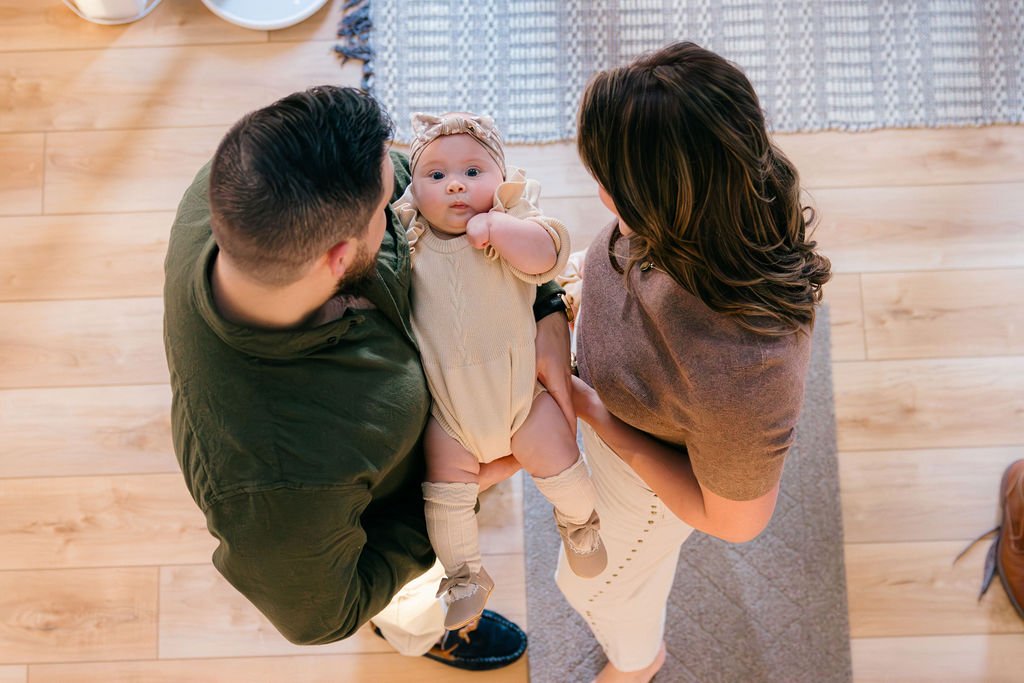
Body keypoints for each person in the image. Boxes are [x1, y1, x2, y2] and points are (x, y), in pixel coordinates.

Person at [162, 86, 574, 671]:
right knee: (416, 607)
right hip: (419, 503)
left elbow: (424, 190)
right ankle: (425, 632)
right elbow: (321, 615)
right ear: (338, 258)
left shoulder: (240, 184)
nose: (407, 191)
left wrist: (545, 305)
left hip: (467, 400)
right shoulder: (277, 489)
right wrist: (450, 494)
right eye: (389, 202)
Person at [557, 42, 833, 682]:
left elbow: (734, 521)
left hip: (645, 488)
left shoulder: (742, 378)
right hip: (620, 418)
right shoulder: (732, 193)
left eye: (608, 182)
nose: (599, 194)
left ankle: (638, 662)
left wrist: (599, 416)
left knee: (593, 588)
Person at [393, 112, 607, 630]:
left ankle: (580, 524)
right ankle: (463, 575)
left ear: (502, 178)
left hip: (520, 396)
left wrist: (499, 228)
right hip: (450, 413)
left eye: (473, 171)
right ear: (413, 191)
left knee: (561, 458)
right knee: (444, 495)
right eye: (436, 176)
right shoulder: (410, 238)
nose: (456, 186)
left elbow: (547, 259)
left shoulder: (510, 224)